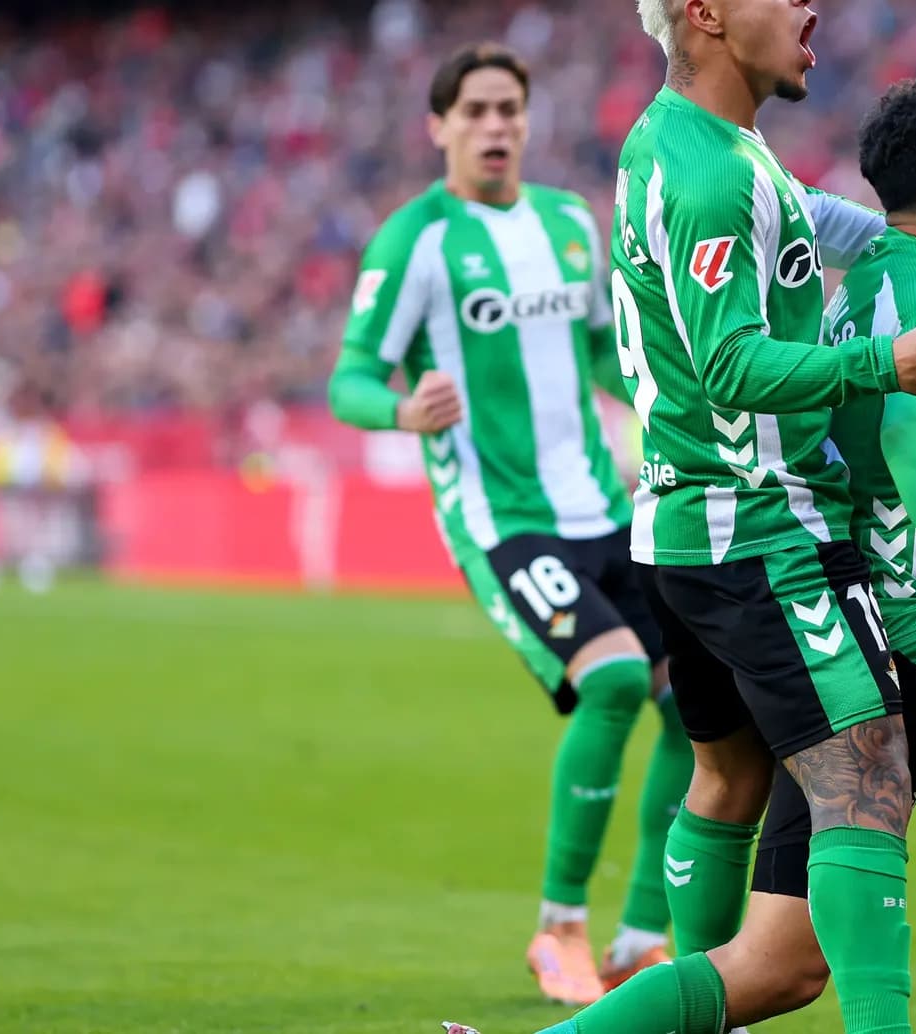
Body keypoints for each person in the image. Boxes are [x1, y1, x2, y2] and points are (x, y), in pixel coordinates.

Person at [440, 62, 916, 1034]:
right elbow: (911, 424)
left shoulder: (874, 277)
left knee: (776, 965)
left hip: (793, 590)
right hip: (908, 623)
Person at [586, 0, 916, 1031]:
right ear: (707, 13)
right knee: (868, 776)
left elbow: (811, 228)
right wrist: (875, 360)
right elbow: (727, 362)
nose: (811, 7)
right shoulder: (716, 173)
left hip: (683, 528)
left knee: (725, 777)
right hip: (765, 531)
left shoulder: (678, 142)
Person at [327, 43, 696, 1006]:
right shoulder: (415, 241)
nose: (496, 127)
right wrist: (401, 409)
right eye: (477, 111)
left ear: (528, 122)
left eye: (510, 110)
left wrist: (667, 405)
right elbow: (351, 376)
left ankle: (641, 937)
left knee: (699, 707)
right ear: (439, 127)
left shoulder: (572, 226)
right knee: (616, 678)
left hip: (607, 510)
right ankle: (558, 929)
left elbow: (601, 354)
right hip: (502, 522)